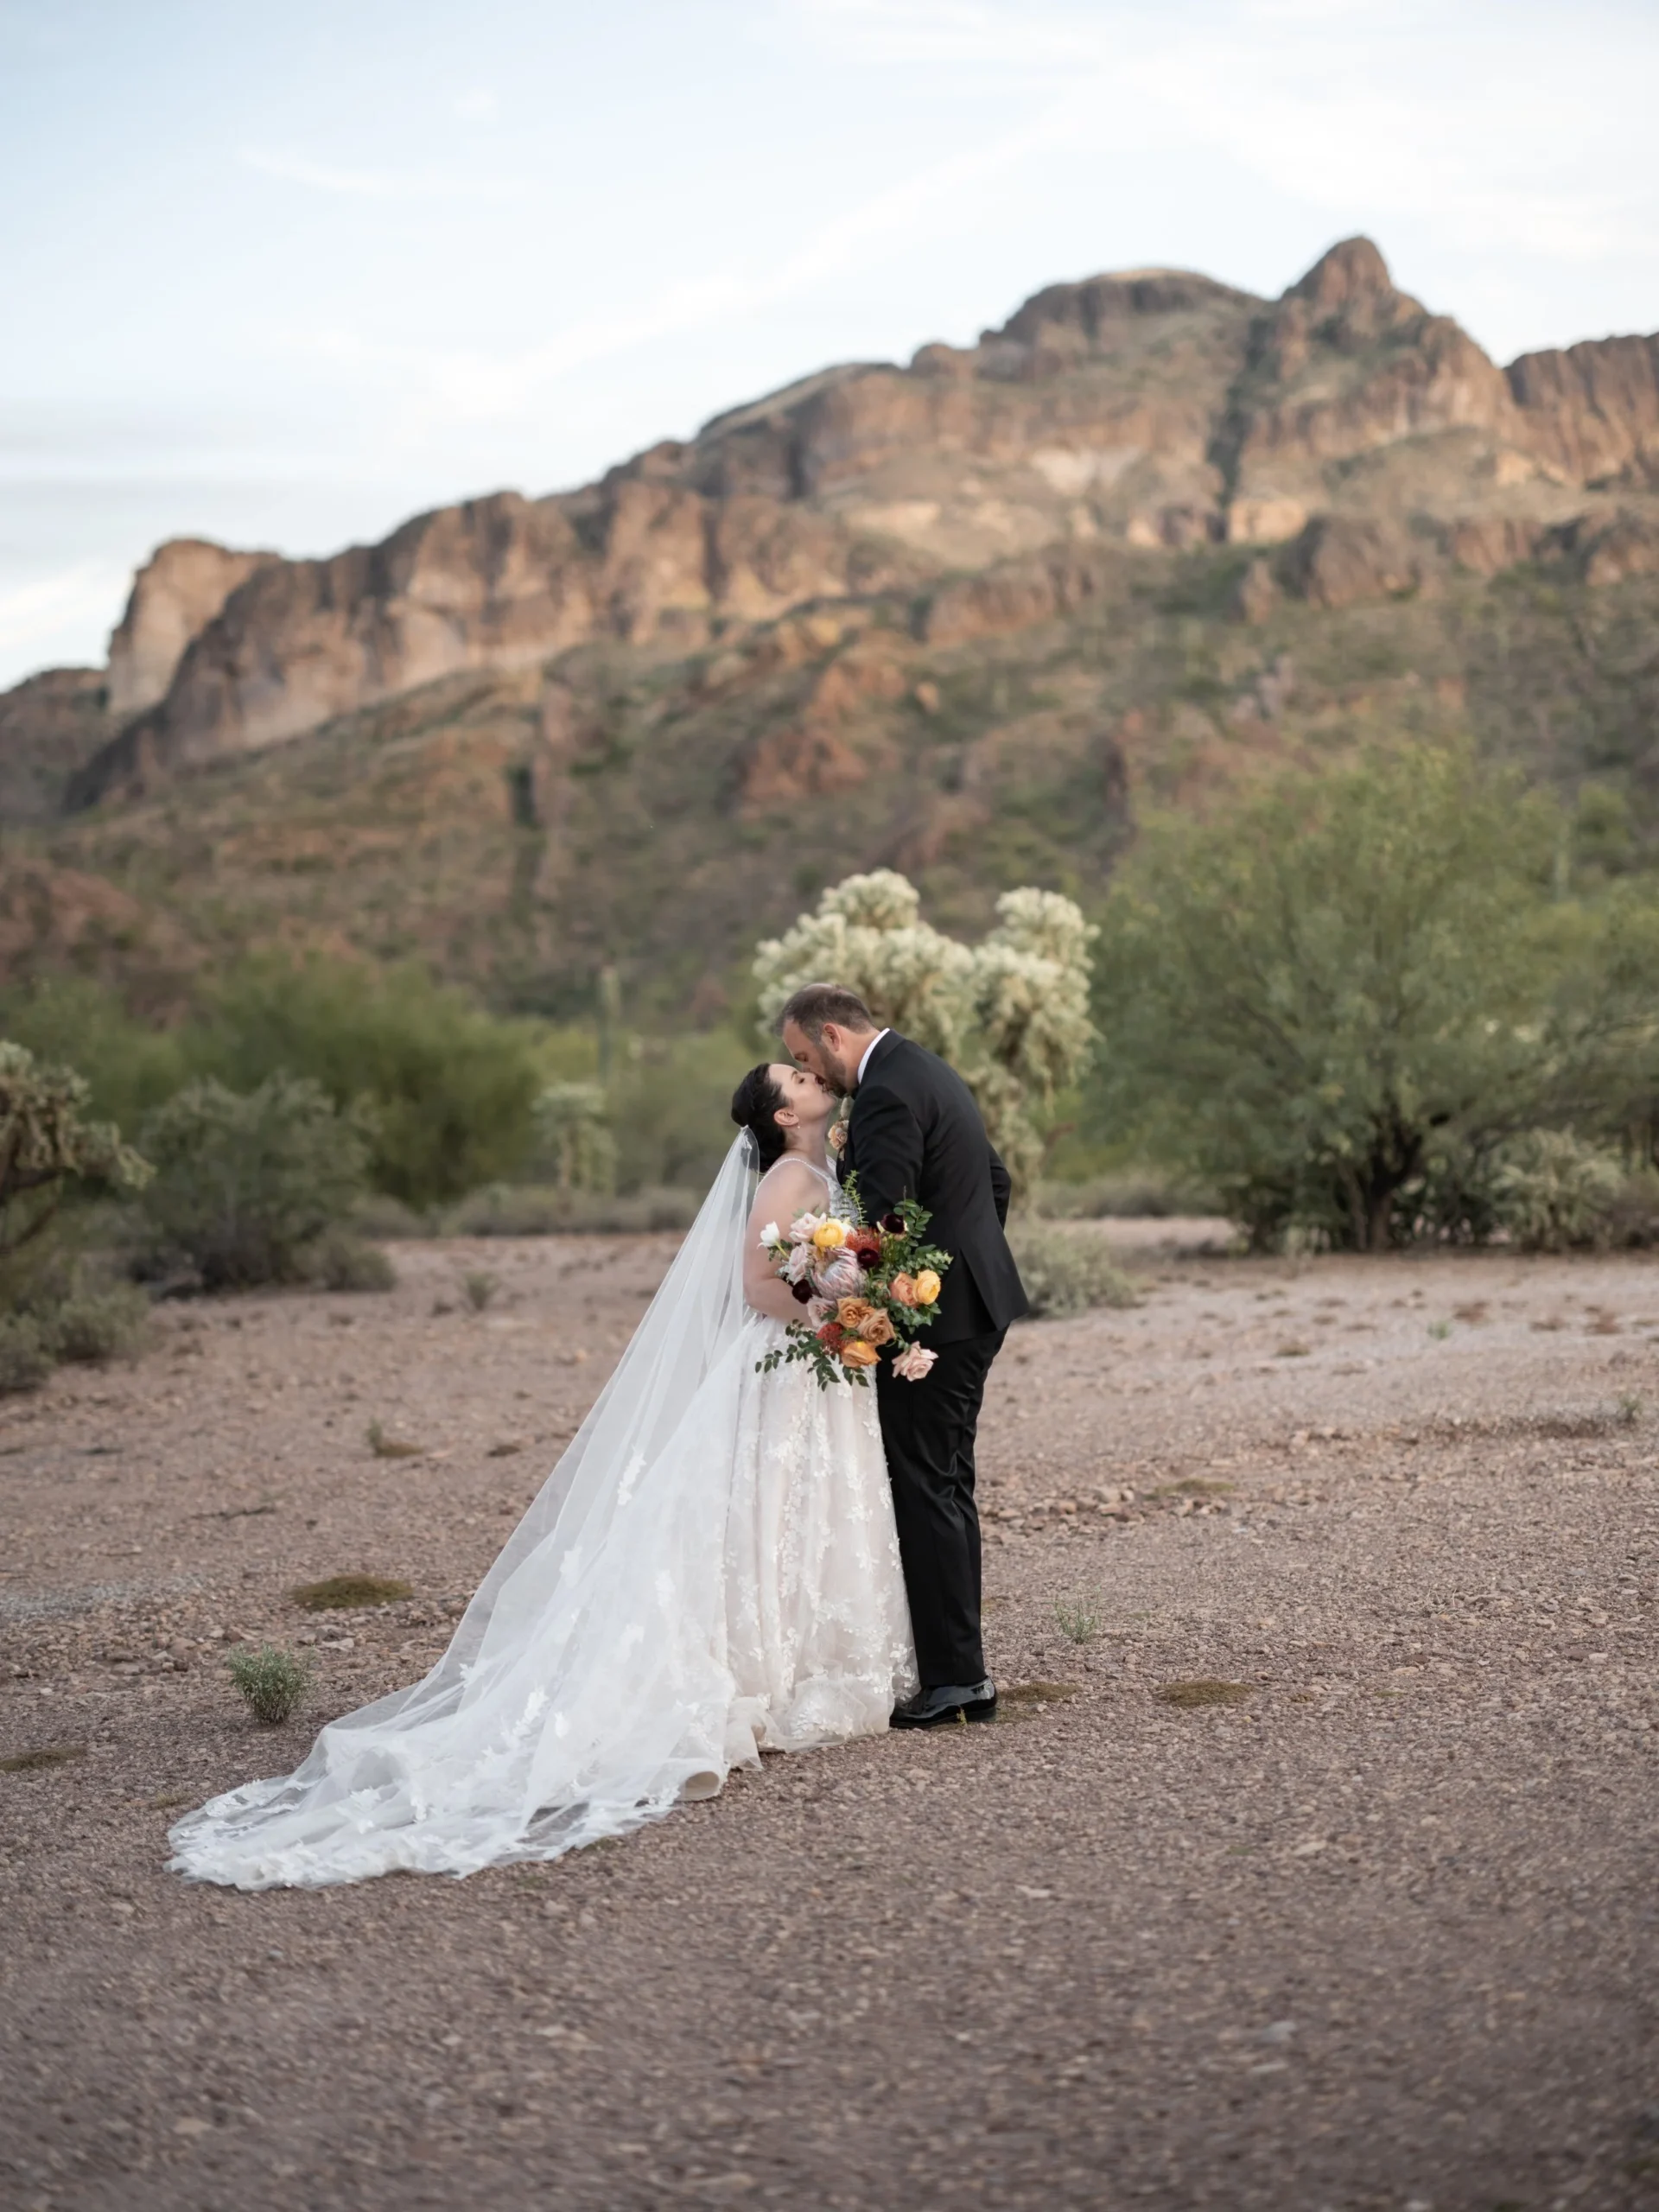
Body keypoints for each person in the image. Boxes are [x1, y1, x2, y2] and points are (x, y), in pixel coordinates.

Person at [168, 1064, 914, 1890]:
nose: (812, 1077)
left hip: (818, 1366)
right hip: (790, 1359)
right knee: (774, 1502)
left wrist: (855, 1296)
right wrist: (826, 1312)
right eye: (797, 1077)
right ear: (782, 1114)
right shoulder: (786, 1179)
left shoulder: (824, 1167)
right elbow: (756, 1284)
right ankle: (766, 1668)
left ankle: (800, 1655)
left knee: (803, 1505)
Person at [778, 983, 1027, 1729]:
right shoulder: (924, 1067)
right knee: (943, 1480)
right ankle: (957, 1669)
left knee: (928, 1487)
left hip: (935, 1325)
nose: (811, 1073)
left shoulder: (885, 1093)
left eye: (805, 1056)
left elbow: (881, 1229)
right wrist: (970, 1263)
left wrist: (904, 1306)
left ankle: (958, 1681)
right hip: (971, 1306)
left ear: (832, 1034)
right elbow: (995, 1182)